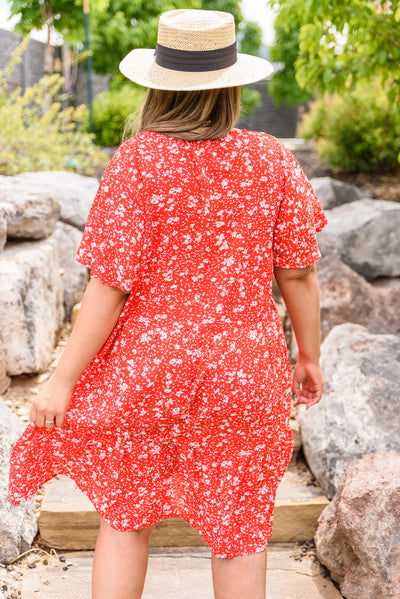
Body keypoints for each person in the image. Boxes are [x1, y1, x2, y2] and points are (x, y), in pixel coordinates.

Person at [8, 9, 327, 599]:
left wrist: (63, 380)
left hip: (147, 370)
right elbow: (299, 273)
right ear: (230, 85)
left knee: (126, 517)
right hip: (244, 370)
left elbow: (109, 287)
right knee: (239, 531)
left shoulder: (138, 162)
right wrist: (307, 356)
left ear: (159, 84)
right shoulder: (272, 161)